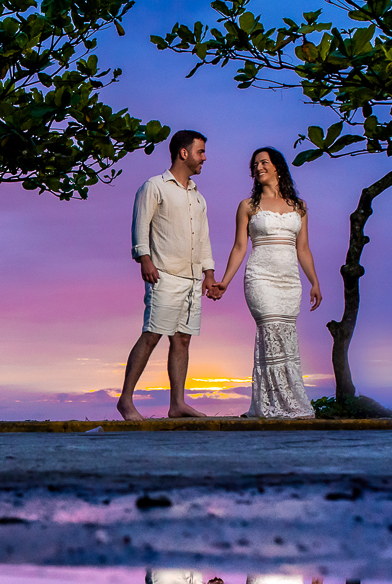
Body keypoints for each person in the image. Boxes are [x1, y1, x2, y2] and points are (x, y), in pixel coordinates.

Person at [208, 147, 321, 418]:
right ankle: (274, 405)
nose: (258, 167)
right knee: (271, 332)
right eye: (255, 164)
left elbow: (303, 249)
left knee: (286, 339)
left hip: (289, 282)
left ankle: (286, 403)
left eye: (263, 162)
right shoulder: (248, 206)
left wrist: (314, 282)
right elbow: (239, 248)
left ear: (278, 167)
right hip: (260, 279)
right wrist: (224, 281)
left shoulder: (299, 207)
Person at [117, 130, 218, 421]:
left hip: (192, 279)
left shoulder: (198, 197)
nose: (204, 158)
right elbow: (140, 226)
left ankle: (177, 405)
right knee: (151, 334)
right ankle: (125, 400)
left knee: (183, 339)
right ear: (183, 153)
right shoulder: (154, 186)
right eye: (201, 152)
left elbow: (204, 239)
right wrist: (144, 259)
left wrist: (208, 274)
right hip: (163, 275)